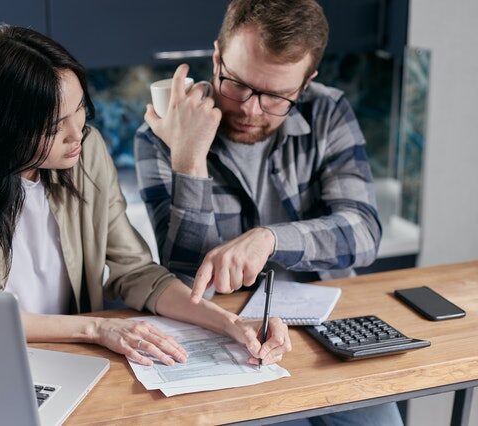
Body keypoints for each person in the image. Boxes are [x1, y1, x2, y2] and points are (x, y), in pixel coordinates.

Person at [0, 24, 291, 369]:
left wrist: (230, 323)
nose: (78, 135)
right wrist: (96, 329)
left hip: (74, 358)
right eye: (55, 127)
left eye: (79, 112)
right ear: (3, 127)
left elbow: (137, 272)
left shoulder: (86, 151)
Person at [135, 0, 401, 424]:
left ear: (306, 83)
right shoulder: (163, 133)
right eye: (237, 83)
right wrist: (189, 161)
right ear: (217, 56)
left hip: (326, 331)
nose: (249, 109)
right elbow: (185, 278)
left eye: (276, 96)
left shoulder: (328, 111)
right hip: (228, 339)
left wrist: (270, 238)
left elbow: (364, 232)